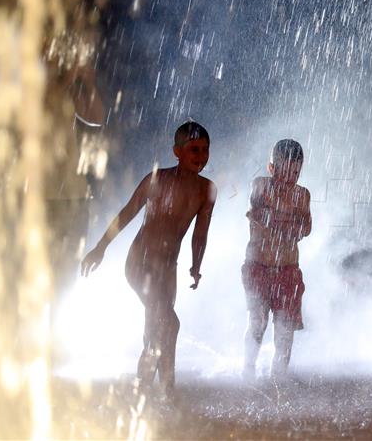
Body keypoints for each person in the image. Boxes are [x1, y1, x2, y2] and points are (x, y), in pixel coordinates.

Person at [80, 121, 217, 397]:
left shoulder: (207, 190)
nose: (200, 156)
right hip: (140, 262)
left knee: (156, 325)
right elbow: (127, 213)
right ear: (177, 151)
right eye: (193, 150)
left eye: (205, 150)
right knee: (169, 322)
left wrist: (196, 265)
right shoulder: (157, 179)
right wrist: (100, 247)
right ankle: (167, 388)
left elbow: (200, 233)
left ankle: (142, 390)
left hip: (168, 268)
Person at [242, 139, 312, 379]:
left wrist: (279, 222)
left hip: (287, 270)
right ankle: (247, 370)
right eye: (283, 170)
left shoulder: (302, 195)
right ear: (271, 167)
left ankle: (279, 375)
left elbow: (306, 228)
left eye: (295, 171)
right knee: (258, 321)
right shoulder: (260, 185)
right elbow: (259, 214)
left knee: (285, 329)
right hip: (258, 266)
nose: (290, 177)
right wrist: (287, 224)